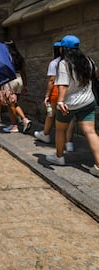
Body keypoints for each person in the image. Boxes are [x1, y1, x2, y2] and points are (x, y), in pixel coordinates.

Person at [45, 35, 99, 178]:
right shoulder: (88, 60)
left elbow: (63, 85)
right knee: (91, 132)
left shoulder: (64, 63)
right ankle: (98, 166)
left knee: (60, 130)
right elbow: (96, 74)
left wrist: (61, 101)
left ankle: (59, 156)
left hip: (68, 104)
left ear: (63, 48)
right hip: (88, 101)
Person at [34, 43, 75, 151]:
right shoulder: (73, 61)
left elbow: (52, 80)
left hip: (57, 90)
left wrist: (47, 95)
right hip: (70, 90)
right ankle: (68, 143)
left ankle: (46, 134)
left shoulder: (55, 63)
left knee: (50, 113)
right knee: (70, 117)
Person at [0, 41, 32, 133]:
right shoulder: (19, 57)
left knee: (11, 104)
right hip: (19, 79)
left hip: (11, 80)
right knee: (14, 103)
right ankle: (20, 121)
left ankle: (17, 124)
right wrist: (25, 85)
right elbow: (23, 72)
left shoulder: (6, 57)